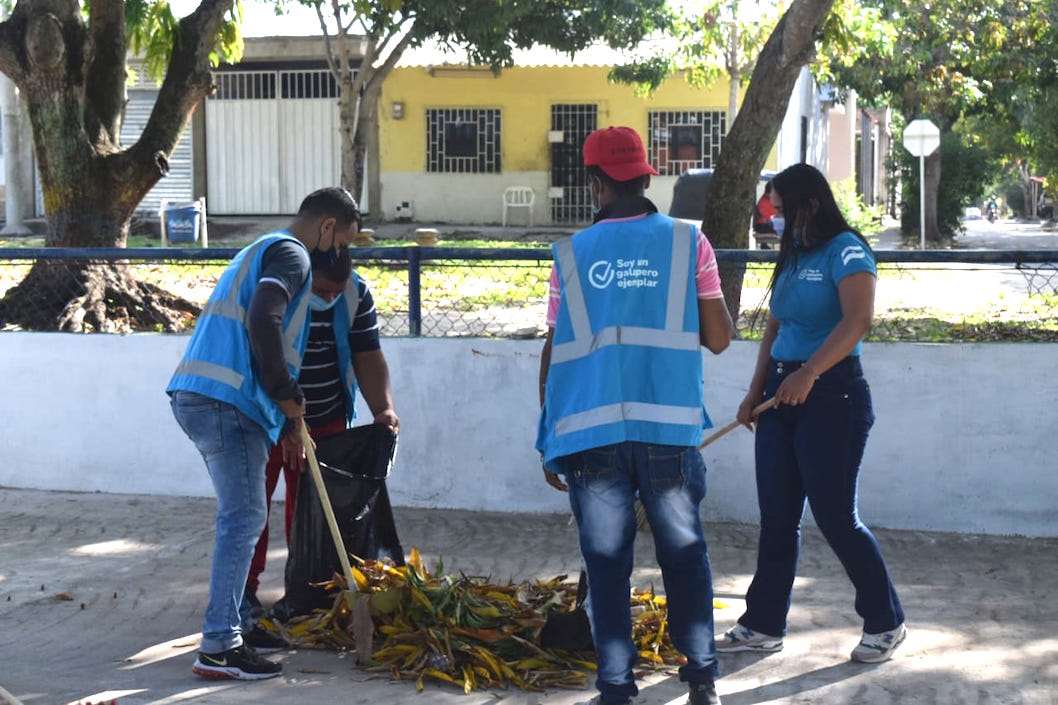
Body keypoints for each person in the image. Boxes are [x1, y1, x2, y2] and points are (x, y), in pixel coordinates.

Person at [536, 126, 734, 705]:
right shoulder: (687, 243)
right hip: (668, 433)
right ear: (648, 176)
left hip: (590, 434)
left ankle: (617, 689)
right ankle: (702, 679)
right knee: (684, 556)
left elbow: (554, 351)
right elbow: (719, 337)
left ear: (595, 184)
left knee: (605, 564)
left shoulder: (569, 255)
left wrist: (547, 433)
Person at [167, 187, 362, 681]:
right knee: (245, 517)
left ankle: (237, 625)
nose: (339, 256)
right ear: (326, 229)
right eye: (341, 243)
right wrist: (284, 389)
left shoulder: (261, 247)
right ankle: (219, 646)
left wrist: (289, 419)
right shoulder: (293, 254)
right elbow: (262, 318)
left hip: (204, 393)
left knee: (243, 516)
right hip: (225, 399)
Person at [717, 163, 906, 663]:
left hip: (833, 396)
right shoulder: (795, 255)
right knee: (777, 516)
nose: (775, 220)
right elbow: (774, 329)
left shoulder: (847, 250)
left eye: (781, 210)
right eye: (773, 212)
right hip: (781, 391)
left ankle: (886, 620)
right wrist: (755, 390)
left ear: (811, 204)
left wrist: (812, 373)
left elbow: (858, 322)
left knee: (836, 516)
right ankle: (763, 623)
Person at [244, 246, 399, 613]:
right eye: (323, 291)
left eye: (336, 291)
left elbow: (368, 354)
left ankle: (307, 587)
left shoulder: (355, 293)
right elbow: (262, 359)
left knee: (313, 510)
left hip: (326, 418)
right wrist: (287, 427)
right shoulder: (278, 294)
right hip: (265, 417)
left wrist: (384, 408)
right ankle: (244, 591)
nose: (331, 298)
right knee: (252, 508)